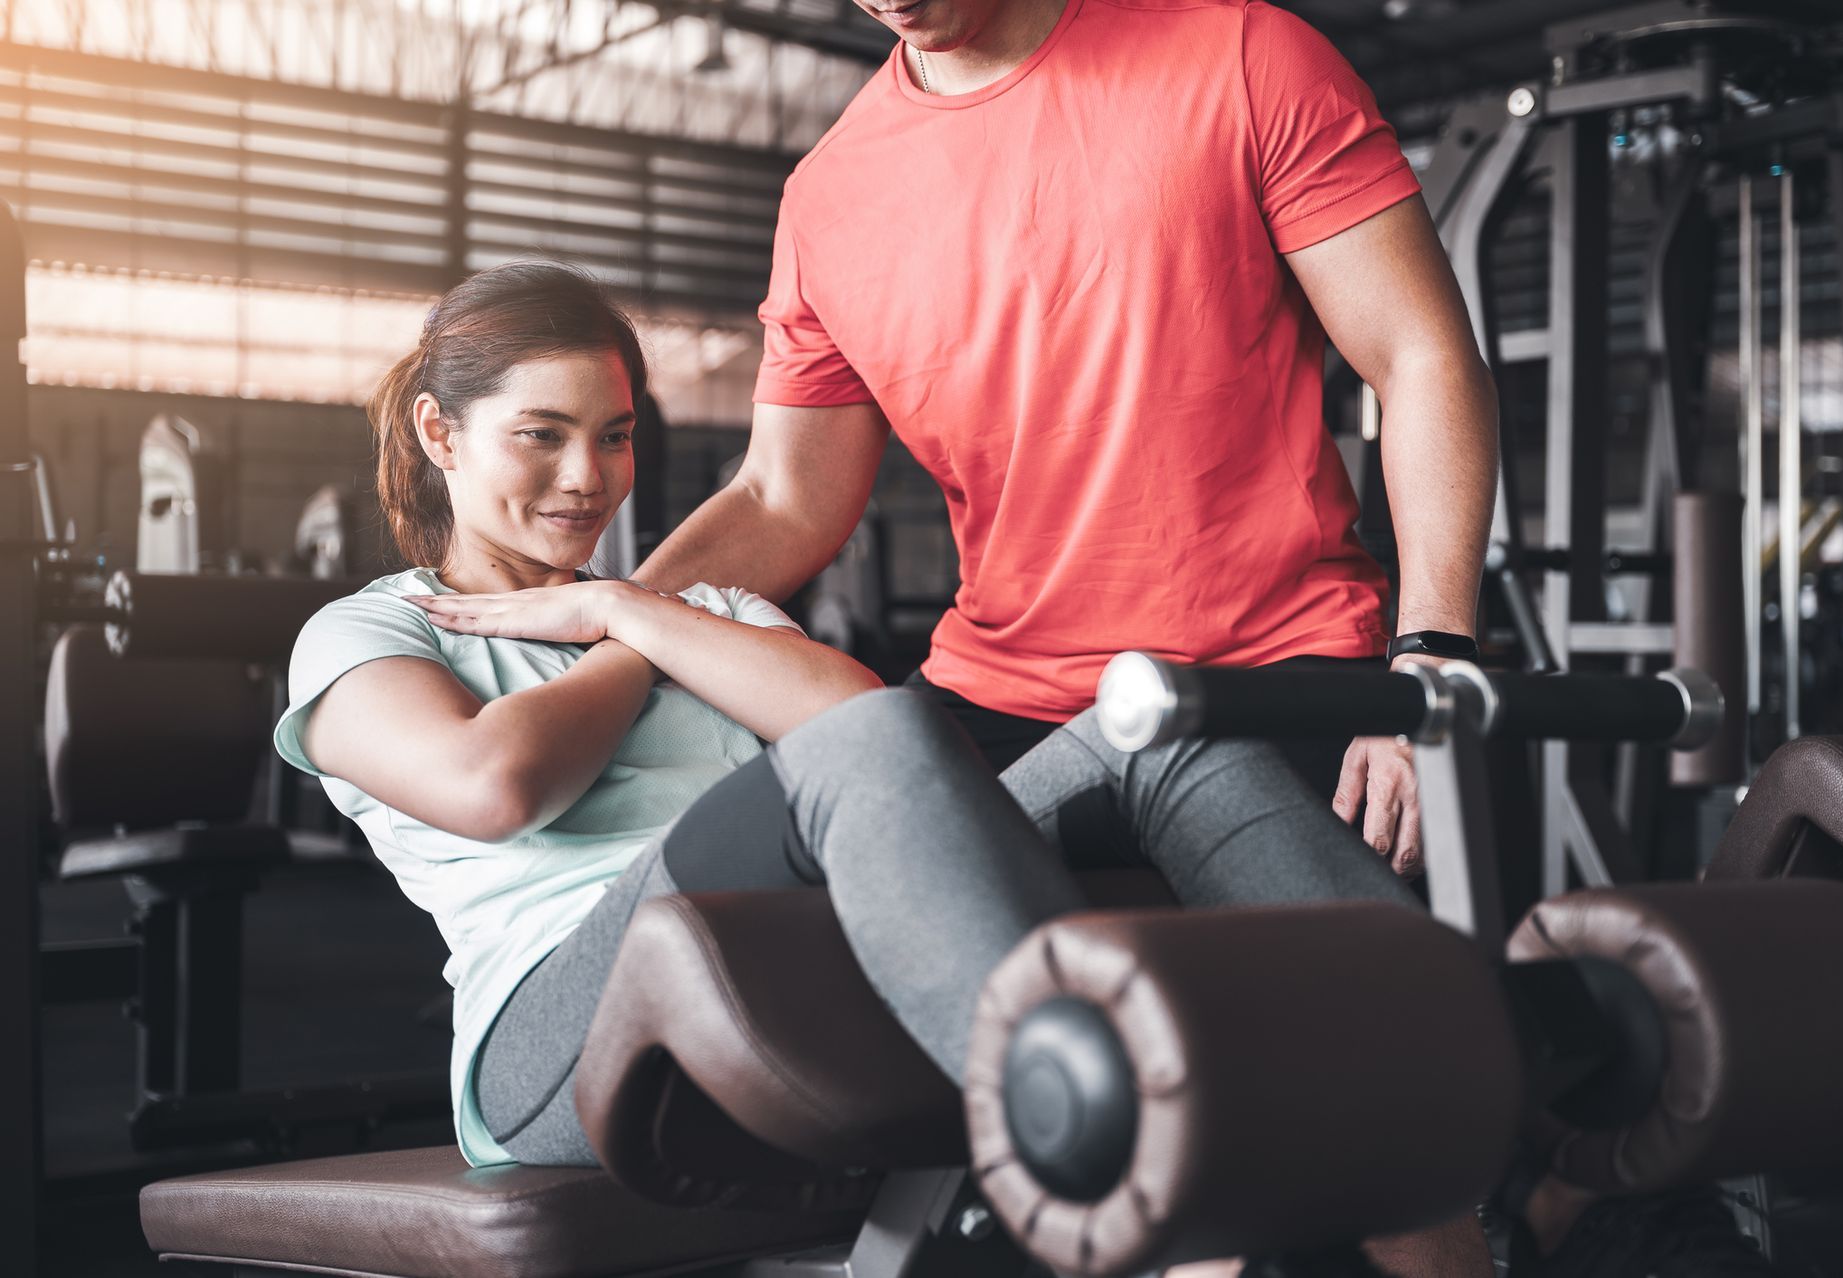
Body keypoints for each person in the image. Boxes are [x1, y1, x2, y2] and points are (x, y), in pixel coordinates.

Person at [625, 0, 1499, 1273]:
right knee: (789, 956)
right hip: (1004, 700)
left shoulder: (1240, 57)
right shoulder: (831, 194)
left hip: (1267, 674)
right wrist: (602, 634)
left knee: (1365, 1078)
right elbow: (783, 499)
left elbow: (1418, 352)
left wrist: (1428, 659)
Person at [276, 263, 1414, 1233]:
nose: (588, 478)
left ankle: (1428, 1075)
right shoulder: (372, 630)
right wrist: (634, 630)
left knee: (1162, 737)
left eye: (614, 437)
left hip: (813, 964)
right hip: (575, 1048)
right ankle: (1116, 1149)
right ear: (441, 433)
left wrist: (640, 610)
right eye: (543, 435)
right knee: (853, 751)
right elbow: (493, 781)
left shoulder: (694, 606)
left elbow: (888, 743)